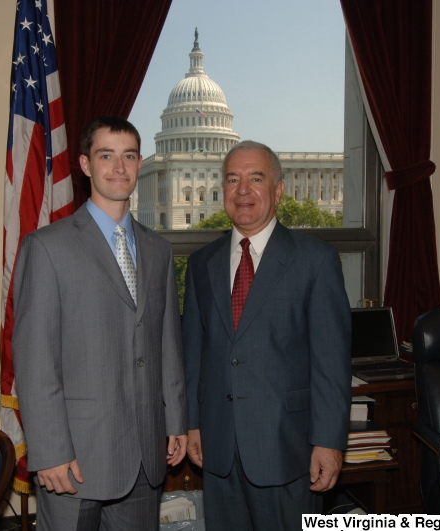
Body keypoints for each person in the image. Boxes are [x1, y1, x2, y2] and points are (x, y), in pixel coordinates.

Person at [12, 116, 187, 531]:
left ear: (140, 163)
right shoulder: (47, 247)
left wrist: (176, 419)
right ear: (86, 165)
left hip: (146, 451)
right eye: (106, 156)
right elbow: (36, 361)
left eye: (128, 156)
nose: (119, 168)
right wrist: (50, 449)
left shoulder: (158, 249)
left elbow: (167, 344)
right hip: (75, 458)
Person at [183, 140, 352, 529]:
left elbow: (331, 362)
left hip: (288, 450)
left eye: (255, 178)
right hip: (218, 448)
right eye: (232, 179)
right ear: (222, 190)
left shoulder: (316, 260)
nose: (243, 190)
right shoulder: (201, 264)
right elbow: (193, 354)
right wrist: (193, 422)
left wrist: (329, 442)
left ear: (277, 190)